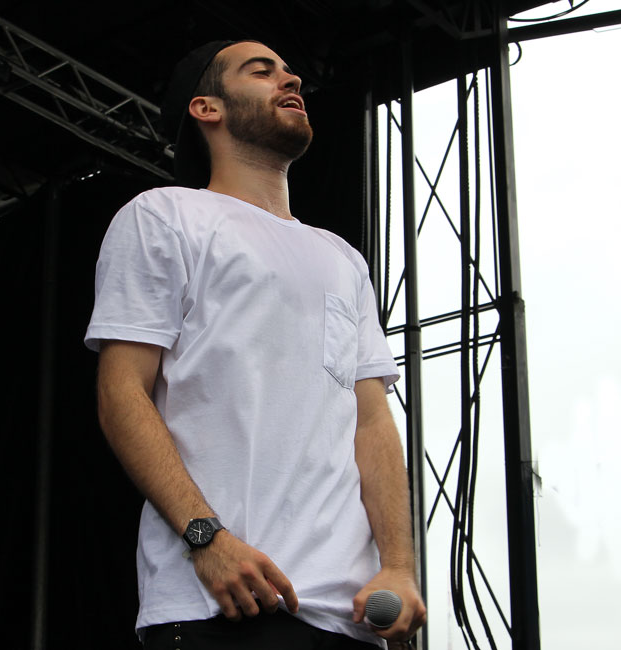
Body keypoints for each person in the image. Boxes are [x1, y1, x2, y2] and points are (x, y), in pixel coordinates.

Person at [85, 40, 426, 649]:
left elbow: (372, 422)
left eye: (290, 70)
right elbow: (121, 394)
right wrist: (205, 539)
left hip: (350, 619)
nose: (289, 78)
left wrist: (399, 566)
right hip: (221, 601)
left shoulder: (342, 258)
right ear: (206, 108)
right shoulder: (164, 216)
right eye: (261, 71)